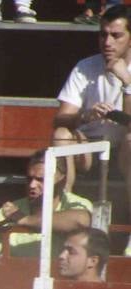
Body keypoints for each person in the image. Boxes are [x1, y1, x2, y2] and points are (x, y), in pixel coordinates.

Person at [52, 5, 131, 236]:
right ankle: (61, 216)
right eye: (103, 34)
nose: (107, 42)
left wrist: (127, 81)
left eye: (116, 36)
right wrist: (85, 116)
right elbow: (60, 119)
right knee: (61, 136)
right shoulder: (85, 66)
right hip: (88, 148)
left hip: (124, 150)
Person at [0, 150, 93, 256]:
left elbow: (82, 220)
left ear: (61, 180)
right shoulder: (11, 208)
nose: (32, 185)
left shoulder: (76, 204)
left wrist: (24, 219)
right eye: (29, 179)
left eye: (41, 179)